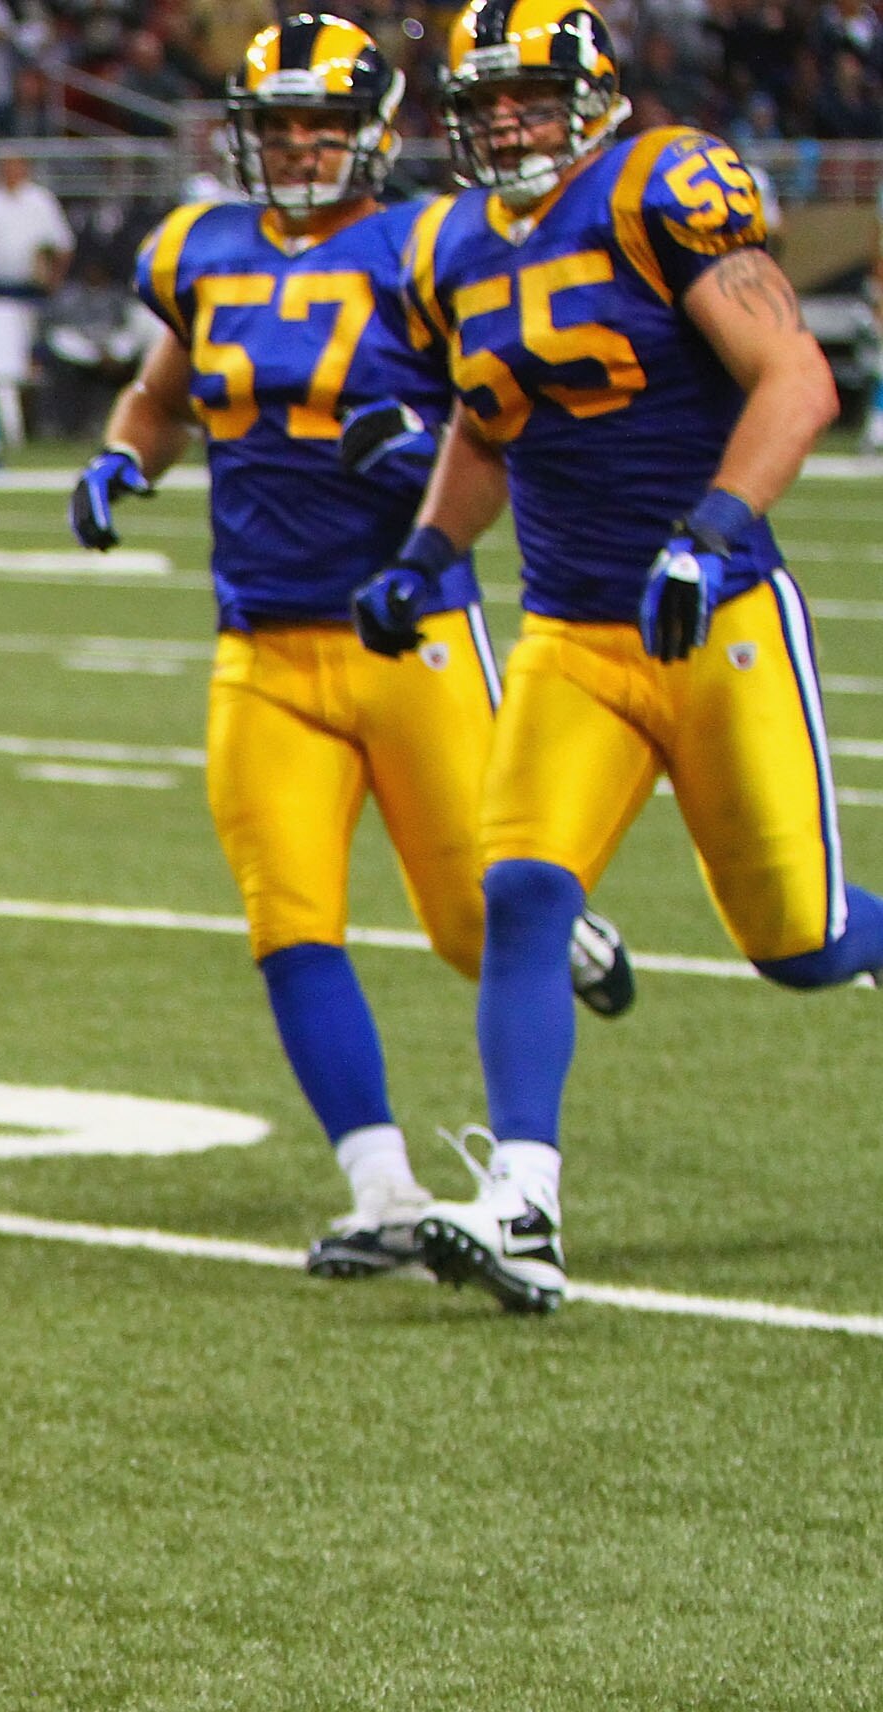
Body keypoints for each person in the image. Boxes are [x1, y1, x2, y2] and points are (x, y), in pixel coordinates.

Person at [69, 14, 634, 1277]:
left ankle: (564, 939)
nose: (303, 147)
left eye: (325, 125)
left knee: (469, 922)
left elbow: (510, 404)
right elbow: (163, 393)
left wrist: (420, 450)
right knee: (290, 921)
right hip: (259, 644)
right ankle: (382, 1187)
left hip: (409, 633)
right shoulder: (203, 248)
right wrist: (122, 455)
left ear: (376, 135)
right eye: (280, 127)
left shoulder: (432, 243)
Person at [355, 0, 882, 1312]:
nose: (505, 121)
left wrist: (712, 532)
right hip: (574, 635)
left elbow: (796, 380)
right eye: (487, 101)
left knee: (800, 941)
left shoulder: (661, 187)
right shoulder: (454, 243)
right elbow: (485, 427)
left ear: (592, 95)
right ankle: (524, 1199)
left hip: (719, 623)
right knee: (523, 891)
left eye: (530, 96)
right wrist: (427, 559)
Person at [0, 152, 72, 451]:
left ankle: (36, 424)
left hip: (33, 293)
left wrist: (52, 280)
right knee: (3, 365)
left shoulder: (40, 200)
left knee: (34, 363)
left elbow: (63, 245)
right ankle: (12, 432)